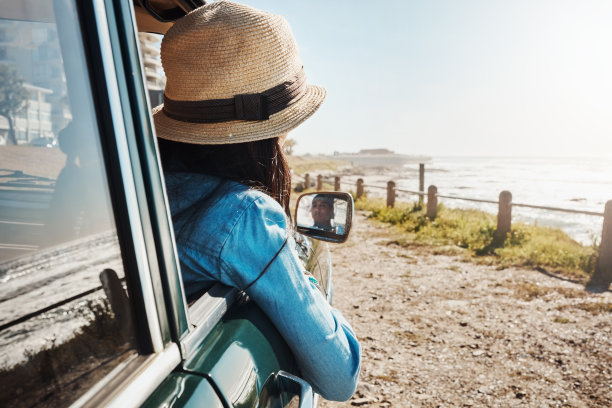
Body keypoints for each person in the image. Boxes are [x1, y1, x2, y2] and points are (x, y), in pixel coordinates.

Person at [153, 1, 360, 402]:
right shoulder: (244, 217)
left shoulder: (132, 189)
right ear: (266, 138)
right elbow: (341, 375)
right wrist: (296, 271)